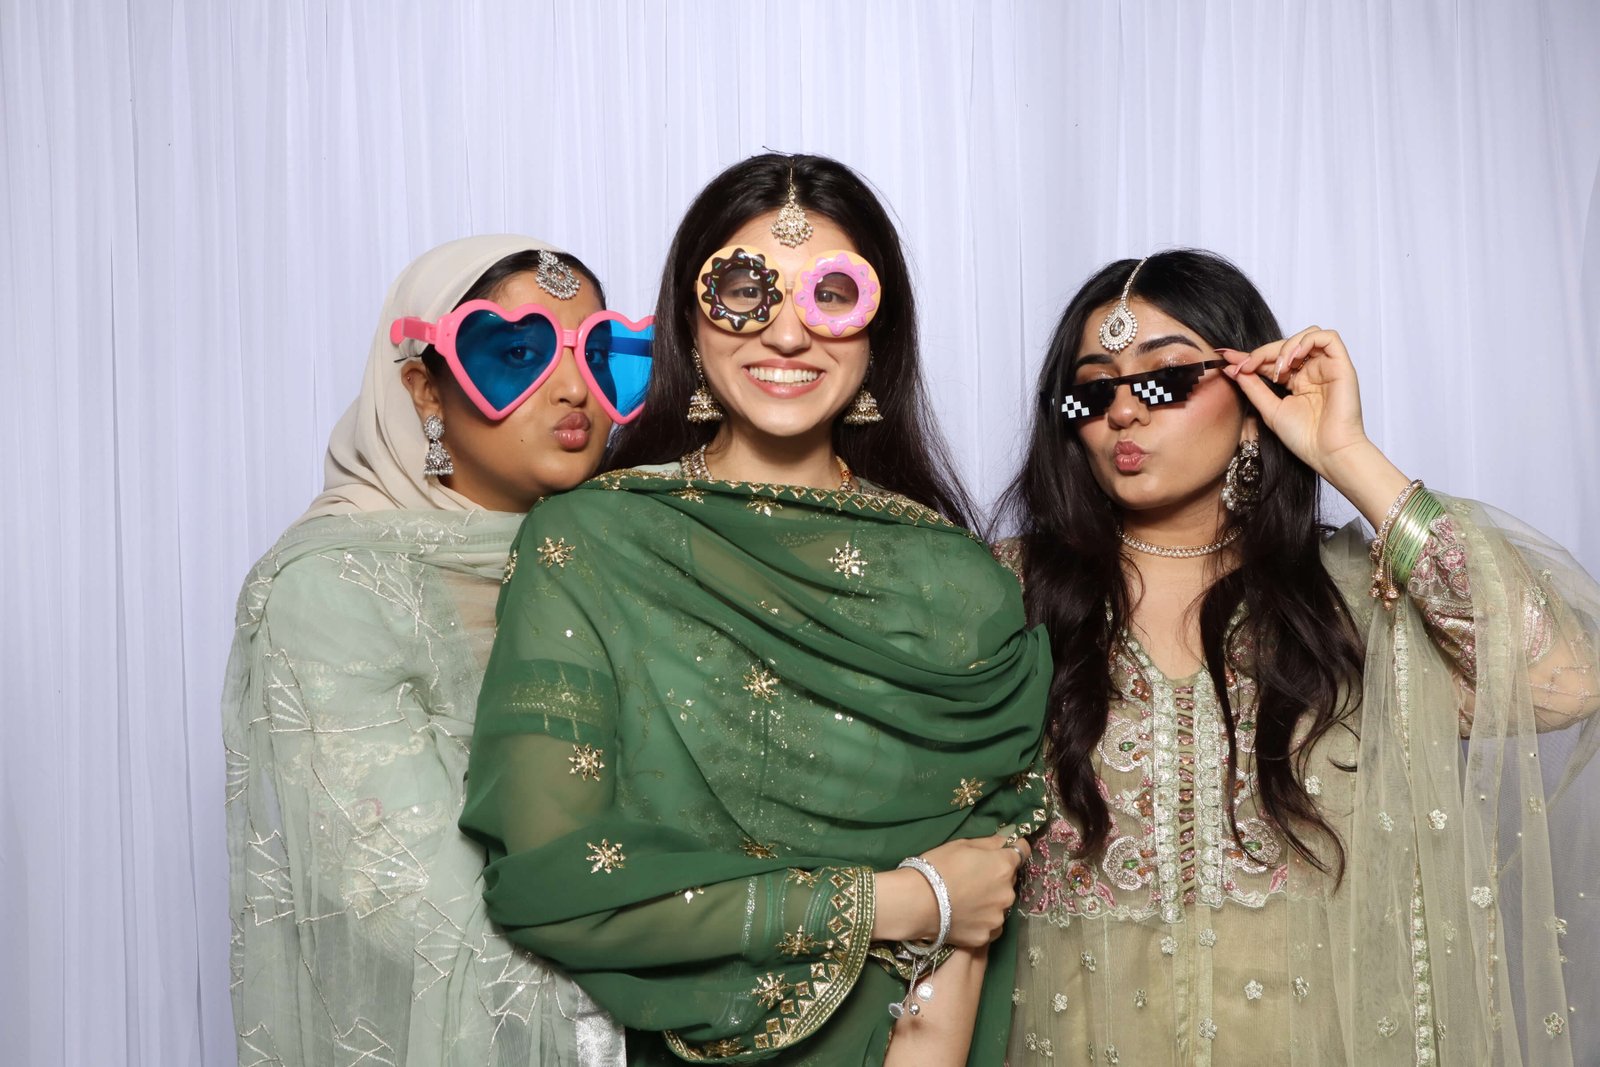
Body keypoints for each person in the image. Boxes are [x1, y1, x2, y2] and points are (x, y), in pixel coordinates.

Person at [460, 154, 1050, 1066]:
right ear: (690, 324)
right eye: (744, 290)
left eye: (832, 294)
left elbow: (977, 895)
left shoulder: (958, 579)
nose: (786, 335)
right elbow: (557, 881)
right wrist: (892, 901)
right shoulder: (592, 542)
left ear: (877, 330)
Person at [998, 249, 1600, 1065]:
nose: (1123, 413)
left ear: (1254, 403)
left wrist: (1345, 454)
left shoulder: (1354, 598)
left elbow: (1564, 680)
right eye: (1092, 388)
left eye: (1164, 380)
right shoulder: (1011, 593)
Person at [224, 234, 653, 1065]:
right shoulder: (329, 586)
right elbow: (402, 897)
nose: (574, 389)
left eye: (603, 356)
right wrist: (693, 976)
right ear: (424, 386)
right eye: (518, 352)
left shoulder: (619, 555)